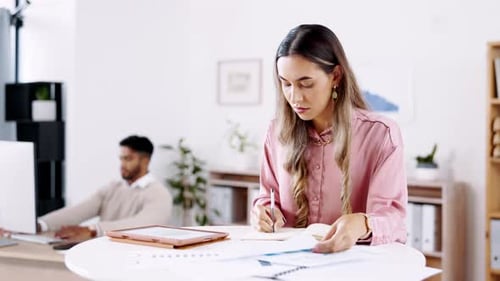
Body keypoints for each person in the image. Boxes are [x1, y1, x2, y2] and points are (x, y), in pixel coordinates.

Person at [251, 24, 407, 253]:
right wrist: (263, 212)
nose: (294, 97)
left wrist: (363, 223)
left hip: (355, 268)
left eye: (306, 83)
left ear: (335, 76)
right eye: (286, 84)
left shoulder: (381, 134)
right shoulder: (276, 133)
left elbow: (394, 220)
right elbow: (268, 196)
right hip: (289, 266)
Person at [3, 135, 173, 241]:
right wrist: (40, 225)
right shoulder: (113, 188)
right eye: (121, 159)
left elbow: (142, 225)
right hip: (104, 251)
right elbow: (79, 211)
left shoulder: (159, 194)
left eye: (128, 159)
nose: (122, 164)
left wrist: (93, 230)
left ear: (145, 160)